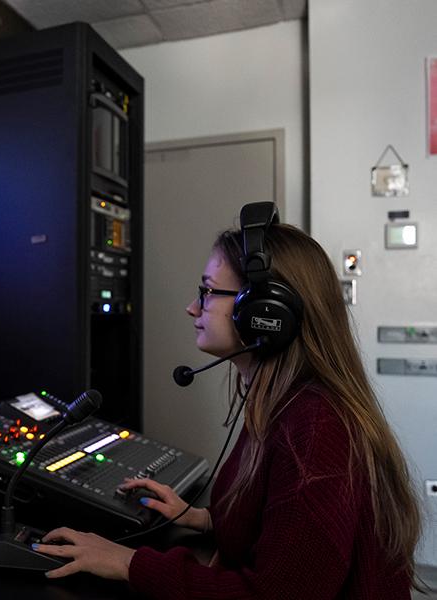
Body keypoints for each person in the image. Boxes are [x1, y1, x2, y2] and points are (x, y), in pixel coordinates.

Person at [32, 204, 421, 598]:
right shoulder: (279, 402)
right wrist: (203, 519)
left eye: (206, 291)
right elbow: (290, 532)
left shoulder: (317, 429)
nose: (192, 307)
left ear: (263, 312)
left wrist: (128, 562)